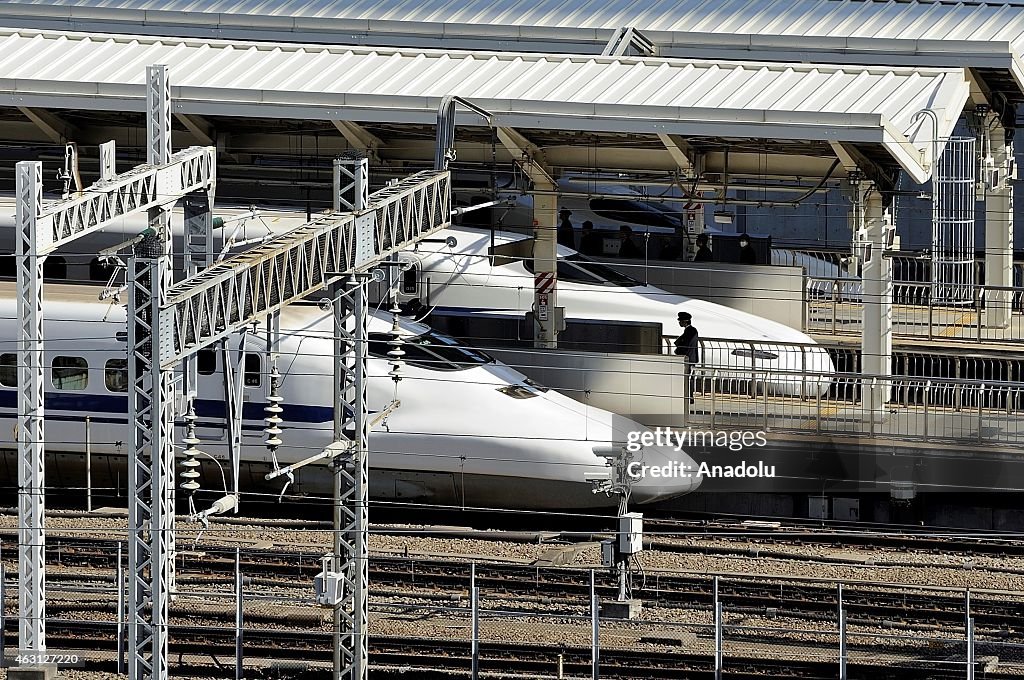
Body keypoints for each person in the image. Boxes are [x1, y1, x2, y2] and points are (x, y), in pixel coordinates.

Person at [674, 311, 699, 404]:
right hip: (690, 358)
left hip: (688, 359)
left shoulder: (690, 331)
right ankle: (688, 396)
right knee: (689, 378)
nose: (679, 323)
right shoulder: (691, 331)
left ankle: (689, 397)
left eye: (680, 321)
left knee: (688, 378)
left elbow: (685, 345)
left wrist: (678, 350)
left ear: (685, 321)